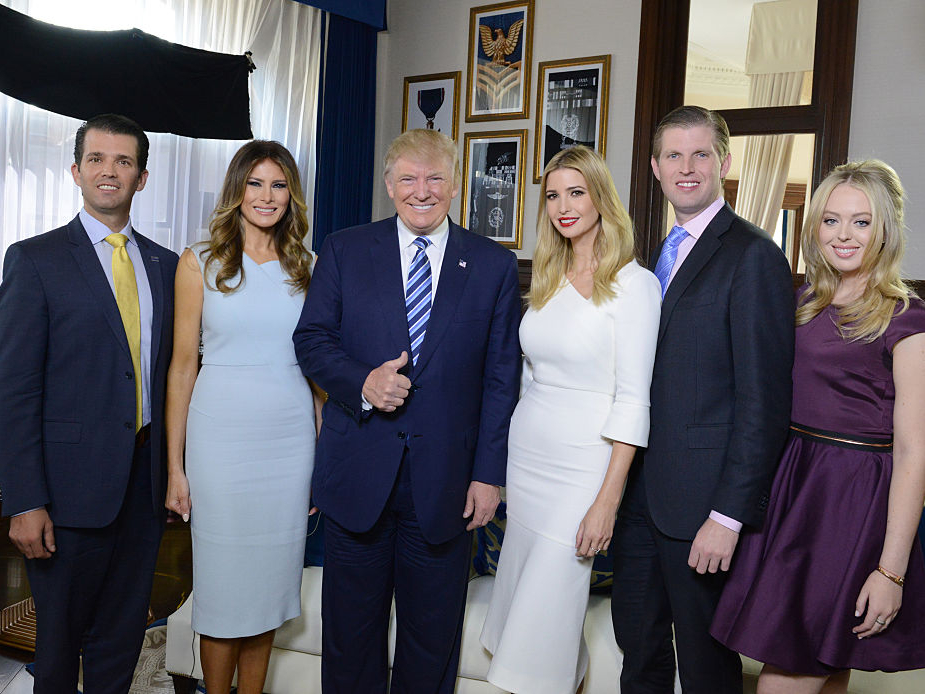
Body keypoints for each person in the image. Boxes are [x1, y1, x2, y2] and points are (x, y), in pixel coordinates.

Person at [293, 128, 522, 693]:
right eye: (409, 179)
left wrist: (489, 476)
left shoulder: (493, 265)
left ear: (456, 185)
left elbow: (501, 380)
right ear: (389, 185)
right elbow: (312, 340)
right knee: (350, 639)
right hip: (358, 473)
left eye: (436, 178)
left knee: (431, 640)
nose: (423, 190)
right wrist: (364, 383)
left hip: (447, 484)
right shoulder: (344, 249)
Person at [711, 160, 925, 693]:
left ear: (885, 230)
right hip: (794, 487)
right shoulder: (804, 300)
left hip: (851, 503)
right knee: (824, 666)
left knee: (787, 675)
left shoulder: (906, 317)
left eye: (861, 221)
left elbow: (914, 453)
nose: (843, 234)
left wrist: (891, 571)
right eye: (831, 220)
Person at [609, 105, 795, 693]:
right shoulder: (651, 257)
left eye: (700, 154)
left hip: (702, 508)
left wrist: (728, 515)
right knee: (638, 653)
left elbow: (763, 403)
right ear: (656, 168)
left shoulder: (754, 255)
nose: (686, 168)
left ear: (724, 163)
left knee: (706, 668)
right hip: (638, 498)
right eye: (673, 155)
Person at [0, 114, 178, 694]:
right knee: (56, 653)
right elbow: (15, 390)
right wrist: (25, 500)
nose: (110, 171)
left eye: (124, 161)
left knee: (120, 645)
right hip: (65, 496)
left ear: (141, 178)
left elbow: (176, 376)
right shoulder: (35, 260)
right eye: (97, 159)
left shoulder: (167, 266)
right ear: (76, 171)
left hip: (143, 491)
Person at [480, 146, 660, 693]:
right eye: (554, 195)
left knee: (547, 606)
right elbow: (529, 377)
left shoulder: (635, 285)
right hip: (529, 461)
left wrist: (607, 501)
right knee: (534, 614)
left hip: (585, 467)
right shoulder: (548, 277)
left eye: (576, 193)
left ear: (601, 198)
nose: (563, 206)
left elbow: (634, 399)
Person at [164, 140, 318, 694]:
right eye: (255, 183)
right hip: (220, 443)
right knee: (223, 588)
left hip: (290, 443)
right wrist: (175, 468)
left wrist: (322, 460)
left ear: (291, 195)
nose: (267, 196)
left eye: (279, 185)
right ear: (237, 190)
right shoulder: (199, 261)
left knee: (269, 589)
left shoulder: (309, 267)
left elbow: (319, 376)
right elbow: (183, 367)